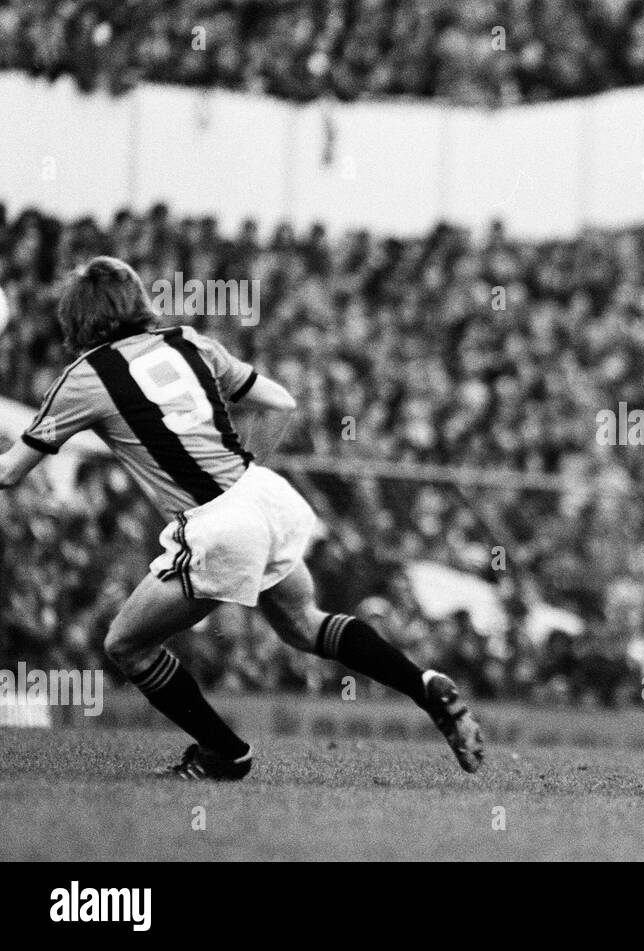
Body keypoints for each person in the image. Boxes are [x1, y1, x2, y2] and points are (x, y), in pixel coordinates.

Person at [0, 256, 485, 780]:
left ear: (79, 318)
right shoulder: (190, 343)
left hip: (217, 523)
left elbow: (9, 473)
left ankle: (225, 752)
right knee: (305, 624)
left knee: (127, 644)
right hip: (263, 496)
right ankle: (424, 684)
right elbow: (281, 401)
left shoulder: (86, 377)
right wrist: (245, 470)